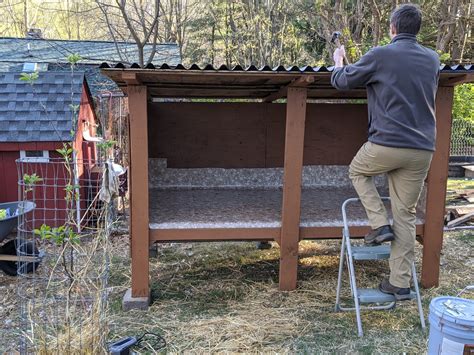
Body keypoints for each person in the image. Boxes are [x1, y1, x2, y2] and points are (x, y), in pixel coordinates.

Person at [331, 4, 439, 300]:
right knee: (404, 215)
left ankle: (379, 225)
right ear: (416, 29)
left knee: (357, 171)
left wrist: (339, 62)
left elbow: (343, 81)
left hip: (387, 143)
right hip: (422, 149)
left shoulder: (381, 54)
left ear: (392, 27)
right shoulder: (432, 59)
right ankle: (400, 284)